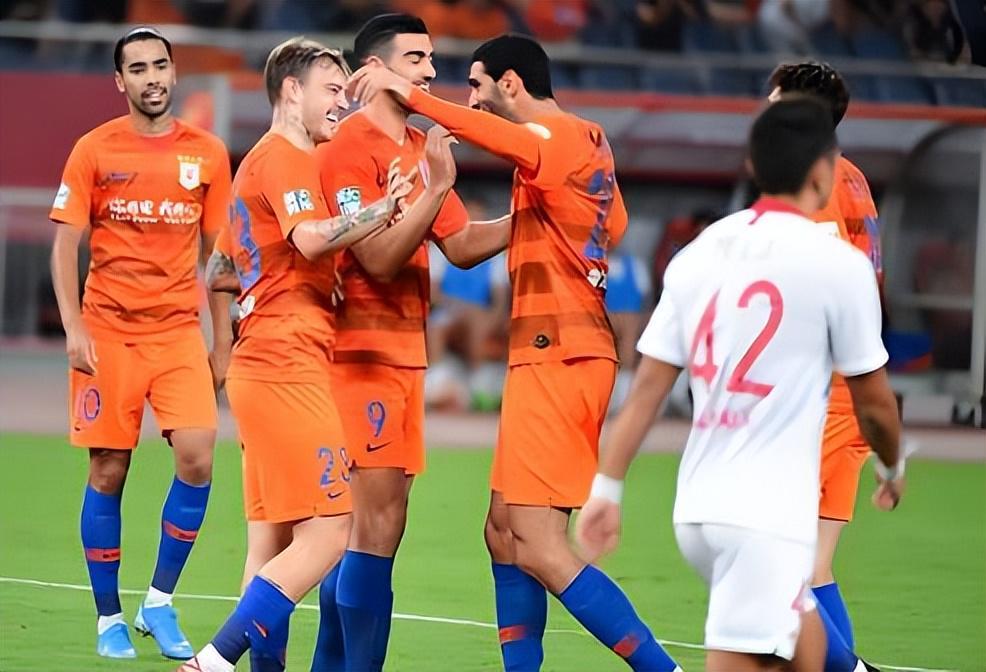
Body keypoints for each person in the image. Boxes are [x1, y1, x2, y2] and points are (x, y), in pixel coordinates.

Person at [349, 33, 681, 672]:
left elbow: (499, 137)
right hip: (551, 353)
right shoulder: (583, 145)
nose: (471, 99)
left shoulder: (556, 136)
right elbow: (611, 224)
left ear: (510, 83)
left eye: (477, 86)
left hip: (562, 353)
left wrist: (411, 96)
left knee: (537, 542)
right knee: (502, 533)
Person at [576, 97, 905, 672]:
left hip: (698, 509)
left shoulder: (700, 252)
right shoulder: (838, 264)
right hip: (764, 516)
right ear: (824, 171)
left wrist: (608, 487)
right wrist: (891, 465)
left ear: (752, 165)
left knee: (810, 653)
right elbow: (874, 401)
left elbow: (648, 388)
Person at [178, 37, 415, 672]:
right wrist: (381, 210)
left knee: (269, 543)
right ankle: (212, 662)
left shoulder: (260, 162)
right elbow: (309, 239)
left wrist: (232, 339)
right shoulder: (285, 157)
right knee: (331, 531)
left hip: (263, 363)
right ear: (291, 90)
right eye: (331, 90)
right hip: (287, 365)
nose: (341, 103)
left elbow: (220, 270)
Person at [310, 14, 510, 672]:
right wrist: (438, 184)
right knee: (370, 527)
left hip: (404, 355)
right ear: (375, 68)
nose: (430, 71)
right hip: (358, 355)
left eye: (430, 58)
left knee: (380, 528)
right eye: (416, 58)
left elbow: (461, 243)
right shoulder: (348, 145)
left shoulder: (419, 144)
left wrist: (535, 214)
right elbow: (376, 258)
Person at [49, 25, 231, 661]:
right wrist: (74, 327)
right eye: (138, 69)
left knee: (199, 458)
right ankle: (108, 617)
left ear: (174, 73)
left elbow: (219, 258)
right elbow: (64, 245)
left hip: (178, 332)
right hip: (109, 333)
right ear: (119, 81)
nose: (152, 78)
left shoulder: (209, 154)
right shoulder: (94, 149)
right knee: (109, 468)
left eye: (160, 66)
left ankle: (158, 600)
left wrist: (223, 343)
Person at [768, 60, 885, 672]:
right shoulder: (853, 176)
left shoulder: (812, 183)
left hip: (823, 393)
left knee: (781, 569)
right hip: (851, 392)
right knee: (814, 568)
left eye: (775, 99)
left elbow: (813, 288)